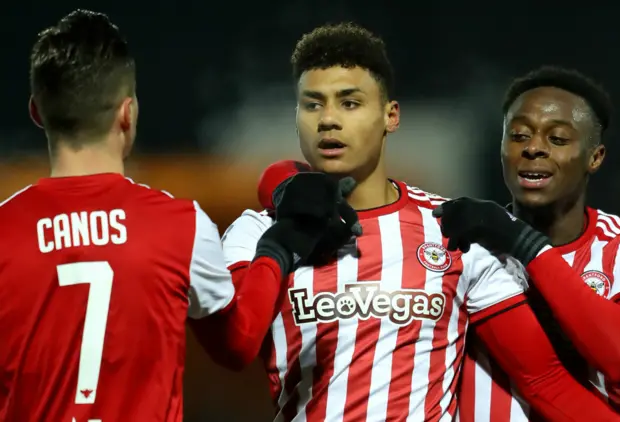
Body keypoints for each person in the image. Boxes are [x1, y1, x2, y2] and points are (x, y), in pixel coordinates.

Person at [221, 24, 620, 421]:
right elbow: (233, 343)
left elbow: (543, 380)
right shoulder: (255, 232)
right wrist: (280, 227)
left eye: (349, 103)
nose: (328, 120)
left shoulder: (451, 233)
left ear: (391, 115)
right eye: (312, 104)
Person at [0, 10, 355, 422]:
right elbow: (237, 344)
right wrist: (277, 247)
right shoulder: (180, 225)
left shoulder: (5, 230)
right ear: (127, 113)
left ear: (36, 112)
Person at [436, 66, 620, 421]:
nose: (533, 148)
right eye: (518, 136)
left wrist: (524, 244)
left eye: (557, 139)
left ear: (595, 157)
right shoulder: (460, 247)